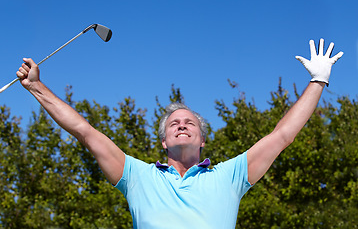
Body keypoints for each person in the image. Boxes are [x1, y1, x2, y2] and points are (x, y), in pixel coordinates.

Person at [17, 38, 343, 228]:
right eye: (174, 123)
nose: (182, 125)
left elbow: (282, 136)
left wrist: (318, 82)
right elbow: (83, 131)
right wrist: (36, 87)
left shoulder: (229, 176)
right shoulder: (136, 176)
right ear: (163, 141)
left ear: (202, 138)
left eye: (190, 123)